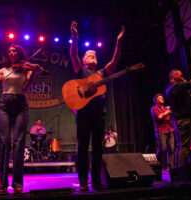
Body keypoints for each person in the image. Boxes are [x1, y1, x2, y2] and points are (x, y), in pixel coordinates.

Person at [70, 21, 125, 191]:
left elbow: (115, 60)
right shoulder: (81, 70)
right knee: (83, 146)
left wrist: (118, 42)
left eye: (94, 53)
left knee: (98, 147)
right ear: (85, 60)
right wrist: (74, 38)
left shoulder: (102, 72)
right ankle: (83, 181)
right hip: (84, 113)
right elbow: (73, 55)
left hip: (98, 114)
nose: (92, 54)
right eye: (88, 54)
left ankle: (96, 180)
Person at [0, 44, 42, 194]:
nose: (11, 52)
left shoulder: (25, 68)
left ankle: (17, 183)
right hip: (4, 105)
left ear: (20, 53)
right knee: (4, 141)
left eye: (14, 50)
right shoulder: (4, 70)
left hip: (20, 103)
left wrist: (34, 73)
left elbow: (25, 88)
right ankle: (2, 183)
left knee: (18, 142)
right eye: (9, 51)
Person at [165, 60, 191, 165]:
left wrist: (183, 82)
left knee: (181, 145)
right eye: (181, 75)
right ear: (174, 76)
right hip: (183, 119)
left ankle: (178, 168)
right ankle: (182, 169)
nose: (183, 76)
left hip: (178, 120)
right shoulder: (176, 86)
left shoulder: (171, 87)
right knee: (185, 146)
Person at [151, 94, 175, 170]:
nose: (162, 99)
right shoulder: (154, 108)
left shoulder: (166, 108)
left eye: (162, 98)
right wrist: (166, 112)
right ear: (156, 101)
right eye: (160, 98)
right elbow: (159, 117)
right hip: (161, 131)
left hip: (169, 130)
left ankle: (171, 166)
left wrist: (168, 111)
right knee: (163, 149)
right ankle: (157, 164)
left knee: (171, 148)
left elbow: (172, 113)